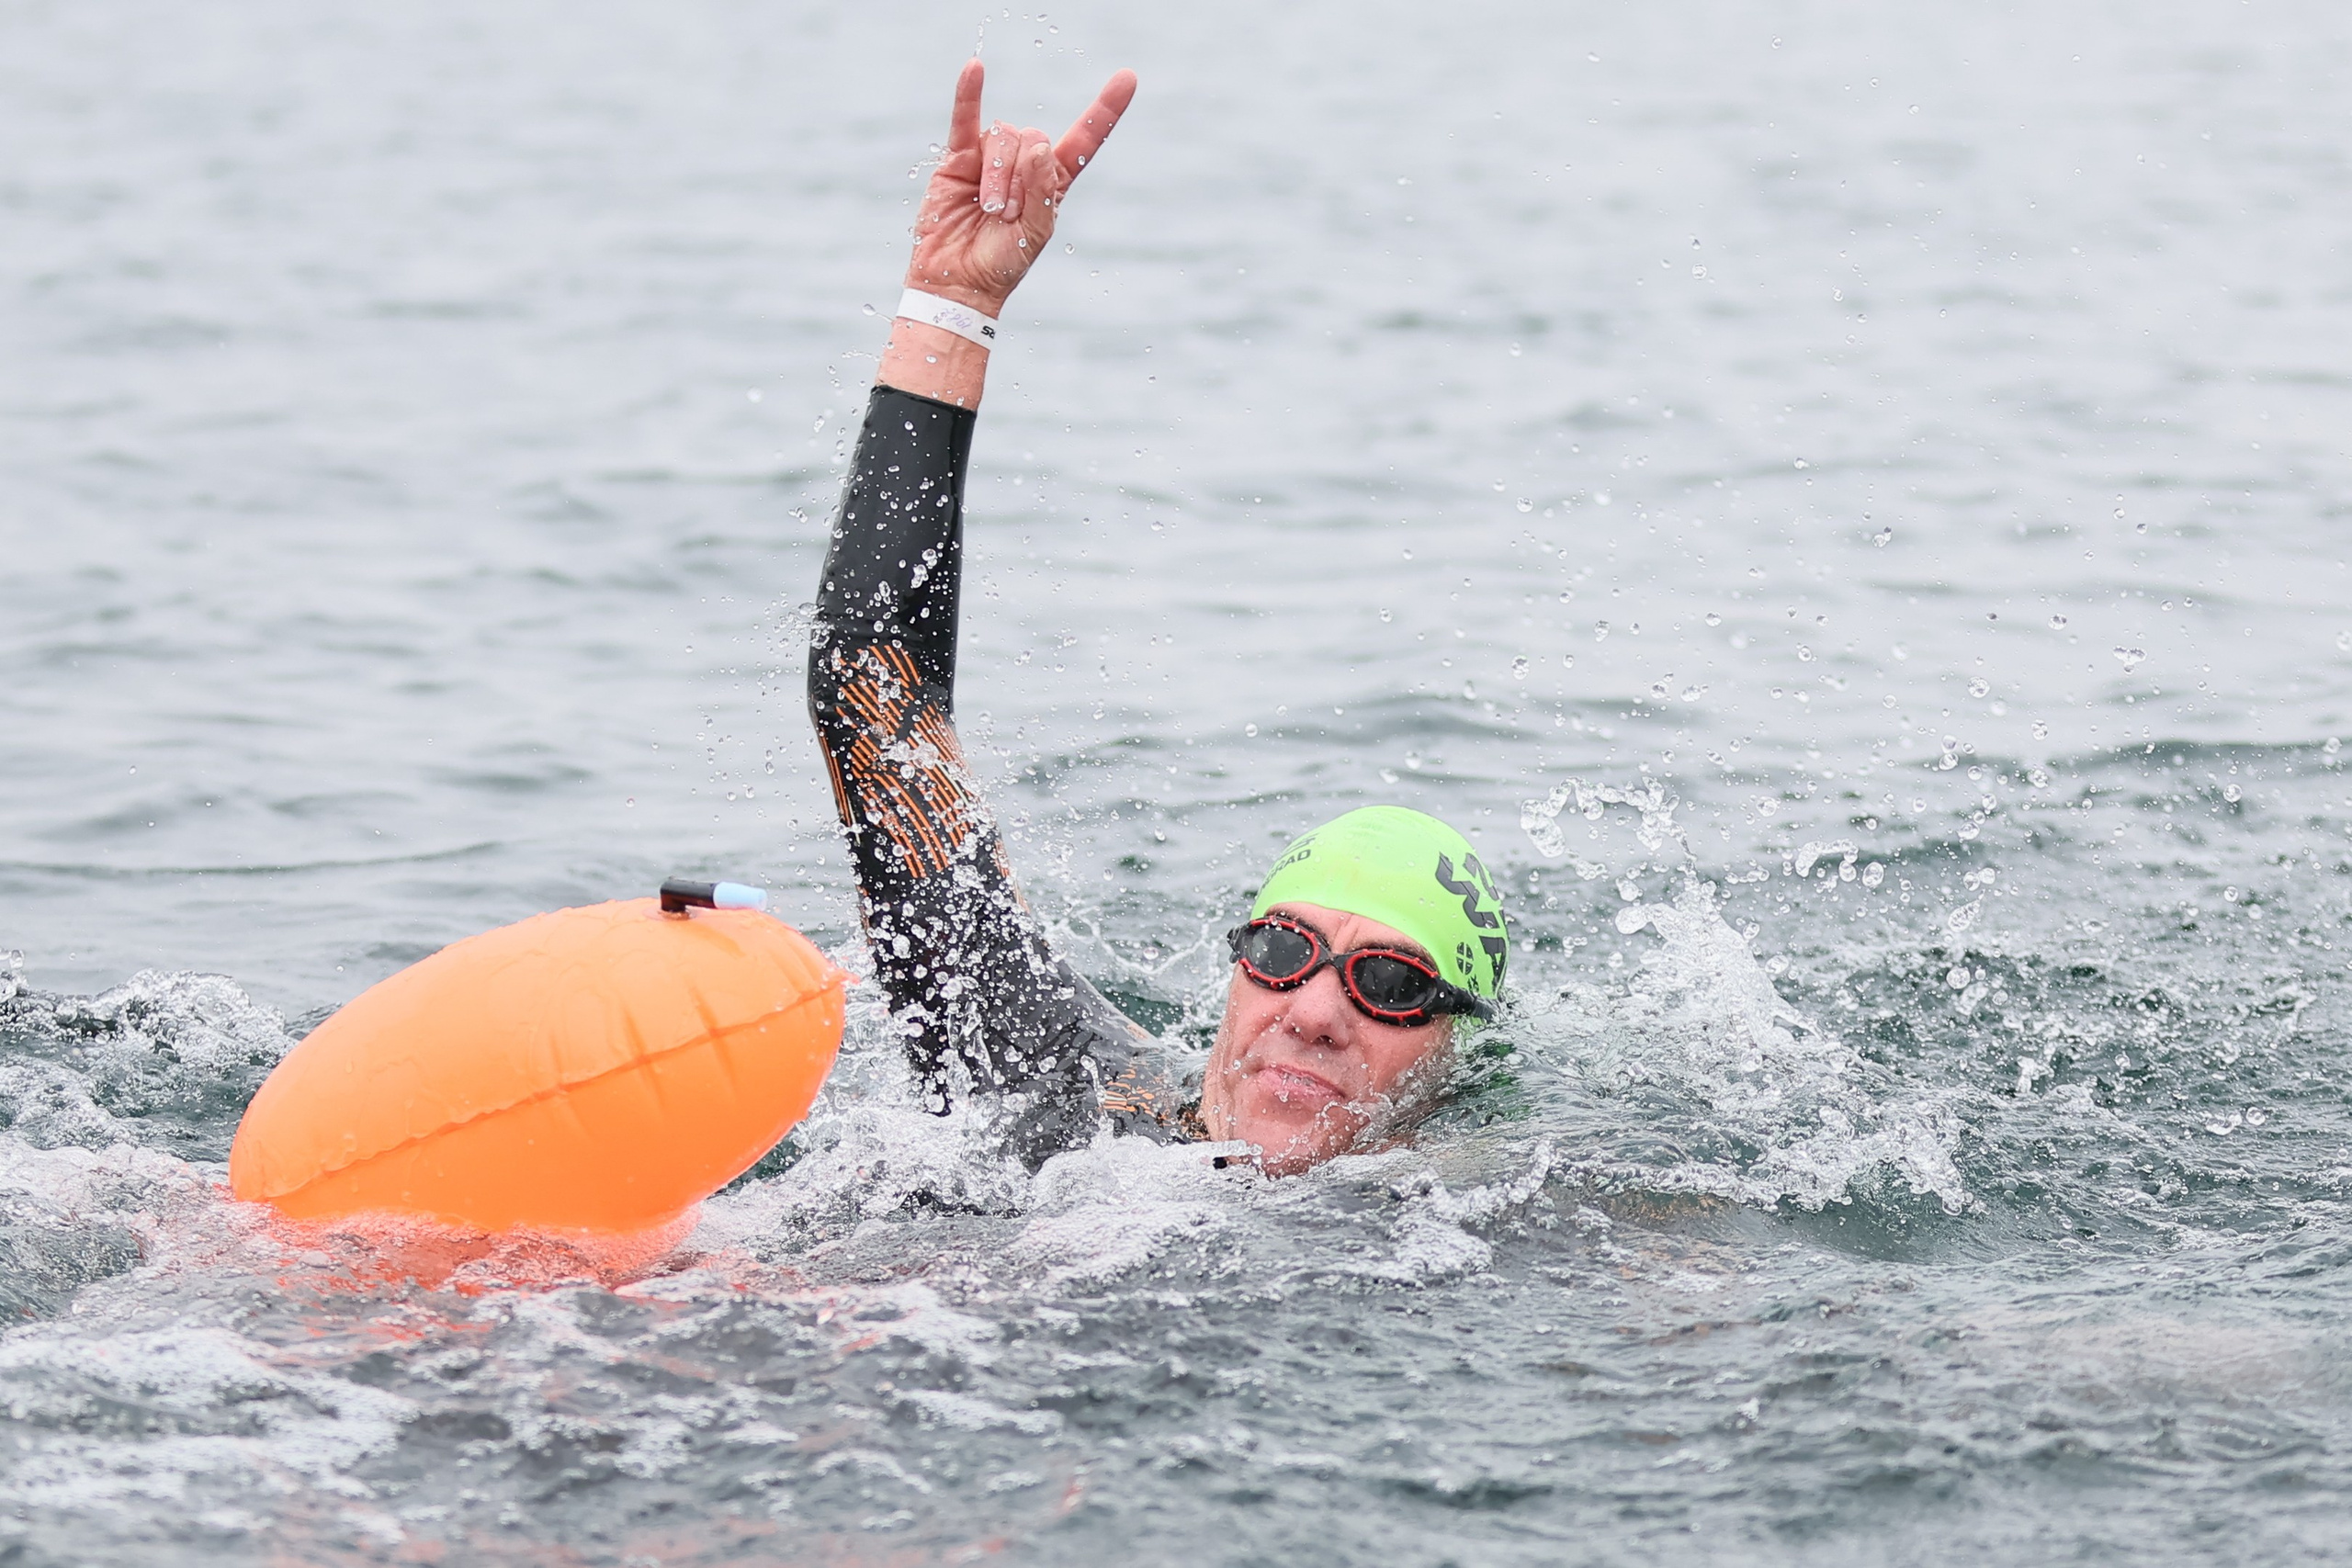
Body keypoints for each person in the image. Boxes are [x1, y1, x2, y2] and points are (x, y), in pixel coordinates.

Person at [807, 60, 1510, 1176]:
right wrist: (955, 305)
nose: (1316, 1012)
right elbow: (869, 689)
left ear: (1454, 1061)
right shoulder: (1063, 1086)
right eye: (1284, 951)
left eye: (1391, 985)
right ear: (1234, 975)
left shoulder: (1478, 1235)